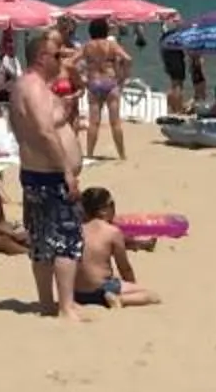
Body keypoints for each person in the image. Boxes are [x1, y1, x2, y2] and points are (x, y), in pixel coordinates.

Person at [9, 32, 84, 319]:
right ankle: (65, 306)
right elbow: (43, 130)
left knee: (41, 240)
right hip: (51, 175)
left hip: (35, 172)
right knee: (66, 240)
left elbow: (34, 126)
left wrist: (63, 110)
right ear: (41, 57)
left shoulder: (26, 86)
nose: (60, 59)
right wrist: (67, 171)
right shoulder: (35, 87)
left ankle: (47, 303)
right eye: (56, 55)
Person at [75, 186, 156, 307]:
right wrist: (132, 286)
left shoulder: (76, 230)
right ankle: (121, 300)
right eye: (111, 204)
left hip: (77, 294)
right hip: (101, 289)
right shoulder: (112, 232)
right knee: (151, 295)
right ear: (103, 210)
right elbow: (125, 268)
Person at [77, 18, 131, 162]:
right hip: (110, 82)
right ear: (106, 31)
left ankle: (89, 154)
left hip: (94, 83)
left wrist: (81, 79)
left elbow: (72, 62)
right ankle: (122, 155)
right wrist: (123, 78)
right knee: (115, 122)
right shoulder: (111, 45)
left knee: (94, 122)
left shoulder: (87, 46)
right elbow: (128, 59)